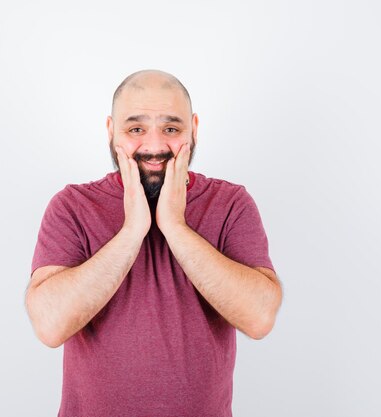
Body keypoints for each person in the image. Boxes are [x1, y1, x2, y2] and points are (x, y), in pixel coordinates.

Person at [25, 69, 282, 416]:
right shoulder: (72, 206)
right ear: (110, 130)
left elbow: (259, 317)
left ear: (194, 128)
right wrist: (132, 231)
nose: (155, 146)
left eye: (171, 129)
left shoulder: (231, 203)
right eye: (136, 129)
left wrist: (175, 226)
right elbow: (50, 325)